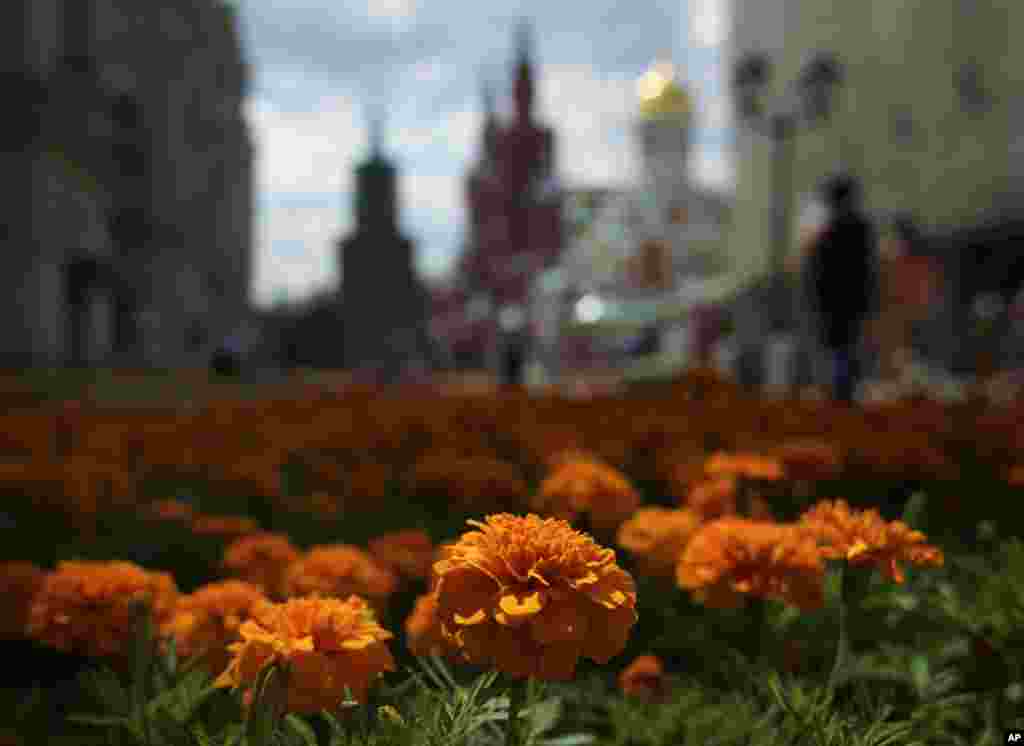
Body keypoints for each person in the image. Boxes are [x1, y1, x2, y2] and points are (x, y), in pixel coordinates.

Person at [803, 173, 879, 403]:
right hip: (847, 303)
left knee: (840, 351)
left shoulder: (834, 231)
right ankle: (842, 394)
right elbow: (866, 267)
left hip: (836, 303)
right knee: (844, 351)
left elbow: (818, 268)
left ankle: (840, 396)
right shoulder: (859, 229)